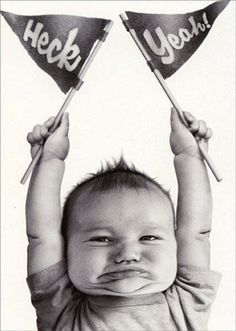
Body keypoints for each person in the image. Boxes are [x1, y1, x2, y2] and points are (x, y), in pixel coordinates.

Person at [26, 108, 221, 331]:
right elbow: (43, 236)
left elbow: (195, 233)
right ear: (65, 249)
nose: (128, 255)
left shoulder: (186, 304)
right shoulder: (59, 307)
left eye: (148, 237)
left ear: (176, 244)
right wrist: (49, 161)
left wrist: (190, 155)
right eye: (102, 239)